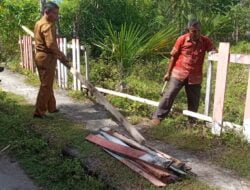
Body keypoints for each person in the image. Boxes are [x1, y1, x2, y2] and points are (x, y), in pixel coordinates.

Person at [151, 19, 217, 126]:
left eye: (199, 31)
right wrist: (168, 73)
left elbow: (212, 50)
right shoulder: (181, 39)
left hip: (195, 77)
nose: (197, 34)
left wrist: (213, 51)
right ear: (188, 30)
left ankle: (191, 123)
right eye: (194, 31)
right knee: (169, 95)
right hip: (179, 73)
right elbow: (173, 57)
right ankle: (157, 118)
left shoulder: (205, 41)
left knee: (194, 101)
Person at [33, 2, 71, 118]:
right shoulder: (47, 25)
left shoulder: (38, 23)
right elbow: (51, 45)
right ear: (46, 12)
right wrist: (63, 57)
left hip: (40, 56)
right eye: (54, 13)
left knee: (47, 84)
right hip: (46, 58)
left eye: (57, 13)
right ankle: (39, 112)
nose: (56, 16)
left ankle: (51, 107)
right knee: (46, 85)